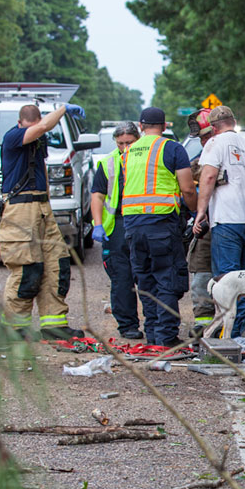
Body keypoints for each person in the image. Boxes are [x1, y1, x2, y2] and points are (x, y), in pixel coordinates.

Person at [0, 102, 85, 338]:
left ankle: (53, 324)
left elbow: (41, 169)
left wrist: (47, 201)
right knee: (27, 269)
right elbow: (45, 125)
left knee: (57, 264)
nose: (39, 131)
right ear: (22, 124)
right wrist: (63, 109)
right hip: (20, 208)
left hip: (41, 206)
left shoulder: (38, 140)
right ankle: (14, 328)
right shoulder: (14, 136)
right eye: (35, 128)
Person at [120, 107, 197, 347]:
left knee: (145, 280)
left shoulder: (128, 152)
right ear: (164, 127)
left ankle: (152, 333)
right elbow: (187, 188)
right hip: (161, 223)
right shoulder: (172, 148)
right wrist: (195, 211)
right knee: (167, 278)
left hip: (133, 224)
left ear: (140, 126)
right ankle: (165, 338)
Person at [192, 105, 245, 338]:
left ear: (214, 128)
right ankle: (237, 335)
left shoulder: (216, 144)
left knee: (227, 279)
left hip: (227, 221)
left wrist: (201, 211)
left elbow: (207, 176)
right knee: (244, 280)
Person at [90, 122, 142, 339]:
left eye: (129, 143)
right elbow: (98, 195)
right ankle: (128, 325)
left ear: (138, 139)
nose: (124, 147)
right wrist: (98, 224)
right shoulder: (108, 163)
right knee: (122, 278)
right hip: (118, 225)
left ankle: (157, 324)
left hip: (142, 221)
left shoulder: (146, 160)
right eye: (120, 143)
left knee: (148, 275)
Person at [184, 108, 216, 336]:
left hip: (230, 224)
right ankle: (203, 326)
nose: (204, 142)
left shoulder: (232, 151)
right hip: (206, 227)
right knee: (201, 276)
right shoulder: (199, 161)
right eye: (201, 138)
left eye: (207, 136)